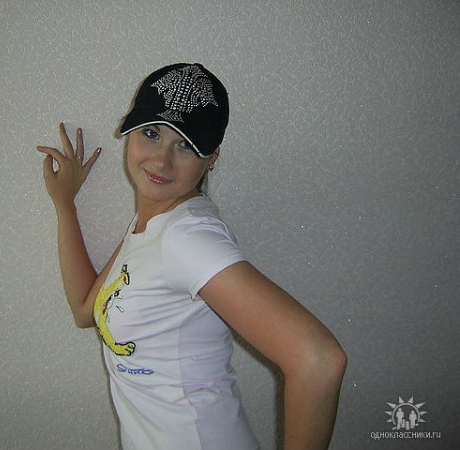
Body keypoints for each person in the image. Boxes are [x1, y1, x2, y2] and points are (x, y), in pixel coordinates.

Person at [37, 63, 347, 450]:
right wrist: (65, 204)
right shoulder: (152, 224)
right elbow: (87, 309)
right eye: (152, 133)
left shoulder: (187, 238)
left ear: (211, 156)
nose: (161, 161)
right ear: (130, 132)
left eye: (185, 145)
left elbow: (318, 360)